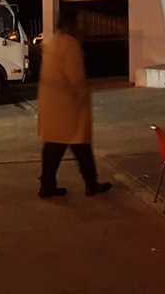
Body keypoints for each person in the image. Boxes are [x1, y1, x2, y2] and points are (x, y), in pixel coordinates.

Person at [36, 15, 111, 198]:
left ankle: (48, 185)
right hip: (68, 107)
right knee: (80, 145)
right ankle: (90, 184)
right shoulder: (70, 45)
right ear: (72, 26)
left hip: (52, 106)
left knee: (54, 147)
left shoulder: (52, 43)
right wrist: (83, 94)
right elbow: (75, 77)